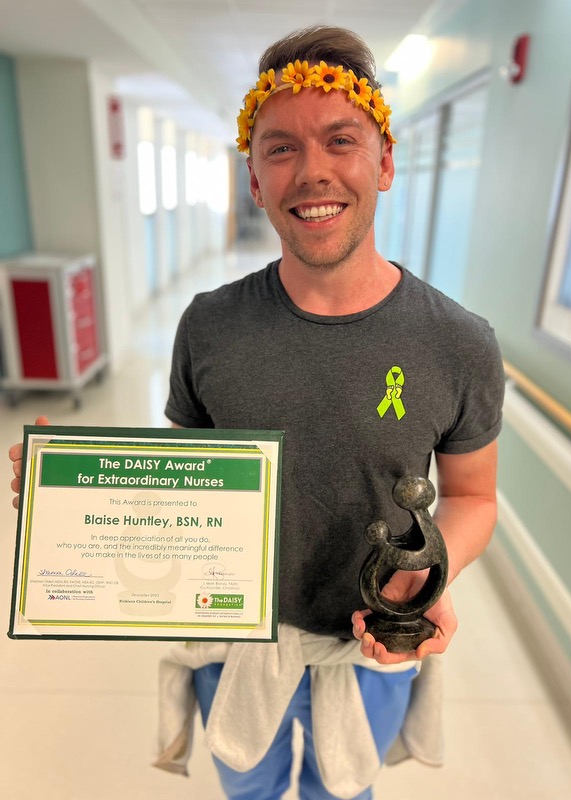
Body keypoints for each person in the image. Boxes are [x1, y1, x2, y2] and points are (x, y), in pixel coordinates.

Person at [10, 25, 504, 800]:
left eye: (340, 139)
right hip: (235, 643)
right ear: (253, 179)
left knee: (344, 790)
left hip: (370, 645)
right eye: (280, 149)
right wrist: (76, 491)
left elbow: (474, 497)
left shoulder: (459, 343)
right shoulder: (209, 325)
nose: (311, 172)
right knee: (249, 787)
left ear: (385, 162)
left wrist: (434, 580)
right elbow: (184, 481)